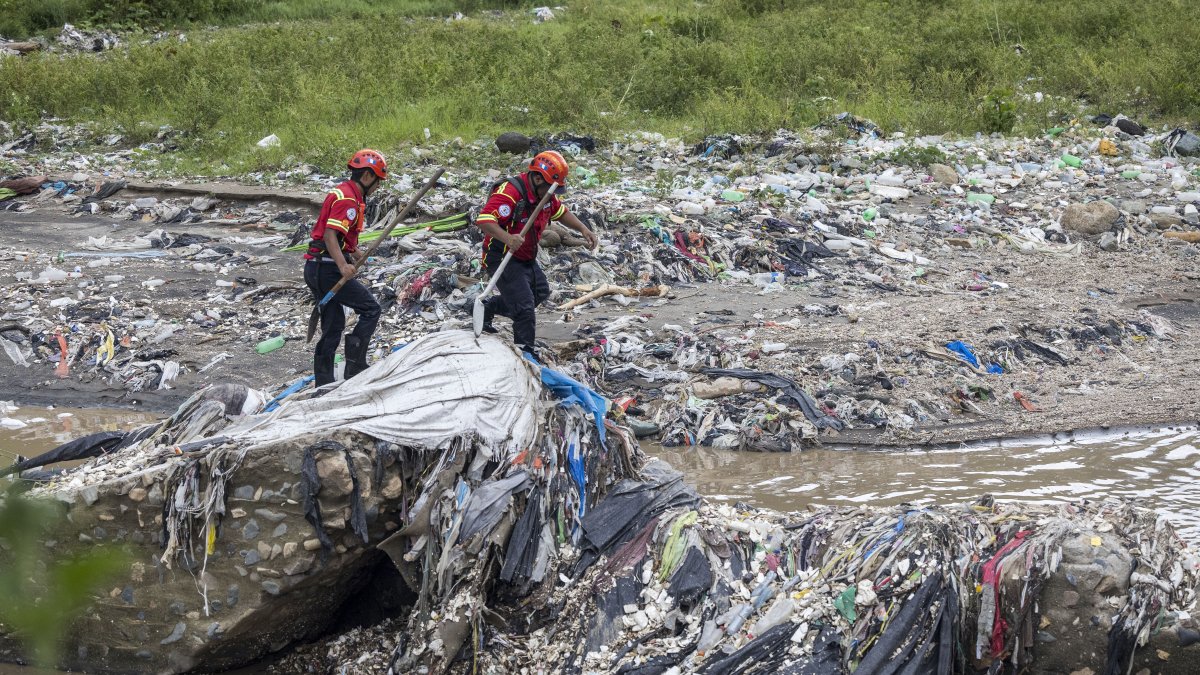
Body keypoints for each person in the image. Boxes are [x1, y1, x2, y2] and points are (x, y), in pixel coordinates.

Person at [475, 150, 598, 356]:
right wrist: (508, 238)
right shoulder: (509, 193)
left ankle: (488, 307)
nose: (554, 194)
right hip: (502, 255)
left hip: (526, 255)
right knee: (524, 309)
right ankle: (526, 355)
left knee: (539, 293)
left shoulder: (546, 195)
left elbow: (561, 212)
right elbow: (484, 221)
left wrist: (583, 229)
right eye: (552, 188)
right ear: (538, 177)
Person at [302, 149, 387, 386]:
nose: (378, 187)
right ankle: (355, 365)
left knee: (333, 326)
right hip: (327, 269)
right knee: (371, 309)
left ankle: (324, 382)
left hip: (315, 267)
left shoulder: (347, 193)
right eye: (378, 182)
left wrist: (353, 251)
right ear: (368, 177)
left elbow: (339, 236)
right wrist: (342, 265)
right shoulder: (349, 199)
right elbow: (330, 235)